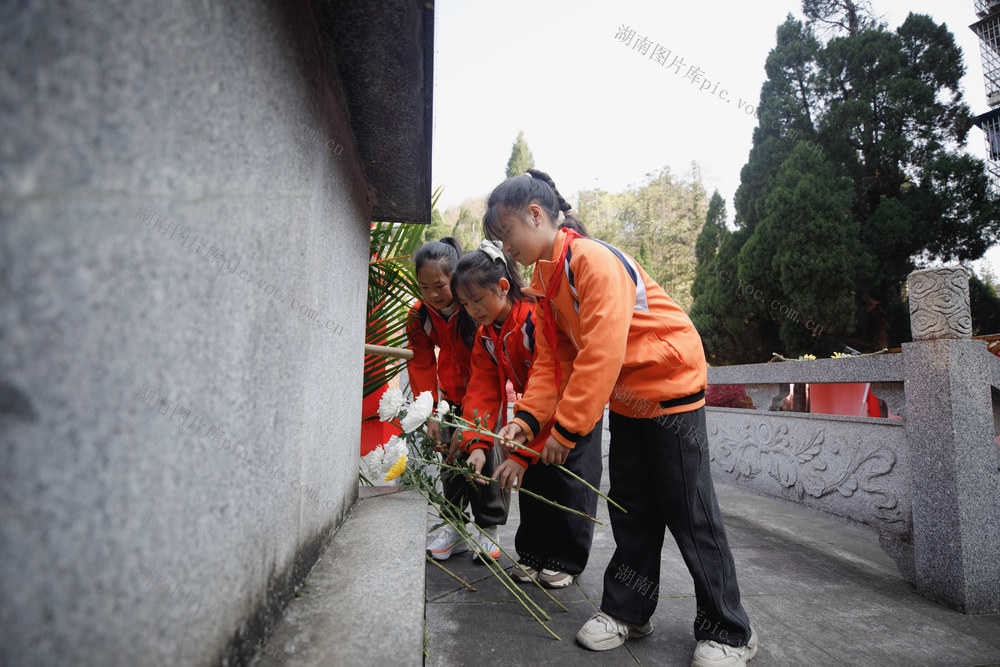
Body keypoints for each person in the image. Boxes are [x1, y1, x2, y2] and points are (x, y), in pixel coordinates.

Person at [489, 170, 758, 666]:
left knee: (690, 513)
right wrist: (527, 422)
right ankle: (628, 610)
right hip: (628, 400)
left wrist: (568, 429)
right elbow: (551, 365)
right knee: (631, 508)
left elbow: (601, 351)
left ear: (535, 214)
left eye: (506, 233)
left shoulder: (590, 259)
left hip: (670, 388)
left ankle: (729, 629)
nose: (506, 246)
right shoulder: (547, 287)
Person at [452, 240, 602, 589]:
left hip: (568, 408)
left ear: (502, 287)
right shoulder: (487, 335)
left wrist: (521, 452)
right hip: (533, 416)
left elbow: (548, 381)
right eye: (464, 304)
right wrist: (477, 444)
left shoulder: (535, 317)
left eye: (477, 300)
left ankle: (566, 559)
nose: (472, 311)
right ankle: (533, 554)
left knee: (568, 484)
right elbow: (483, 391)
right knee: (534, 483)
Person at [406, 238, 509, 562]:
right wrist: (431, 413)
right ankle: (454, 524)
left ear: (456, 278)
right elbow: (421, 364)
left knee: (484, 463)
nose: (433, 295)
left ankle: (488, 528)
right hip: (450, 401)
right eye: (425, 287)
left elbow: (487, 366)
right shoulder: (421, 316)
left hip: (484, 399)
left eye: (440, 285)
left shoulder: (475, 310)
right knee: (450, 463)